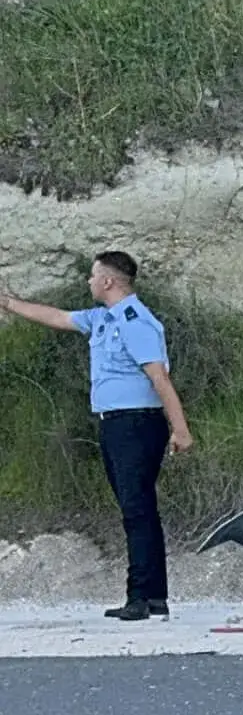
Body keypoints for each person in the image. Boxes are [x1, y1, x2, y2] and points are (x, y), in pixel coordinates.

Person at [3, 252, 193, 620]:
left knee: (137, 511)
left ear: (108, 281)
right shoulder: (102, 318)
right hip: (115, 424)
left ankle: (139, 597)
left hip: (136, 424)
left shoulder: (136, 321)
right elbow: (57, 317)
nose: (89, 282)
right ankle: (154, 596)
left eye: (93, 276)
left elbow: (160, 378)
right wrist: (8, 302)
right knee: (138, 509)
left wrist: (180, 428)